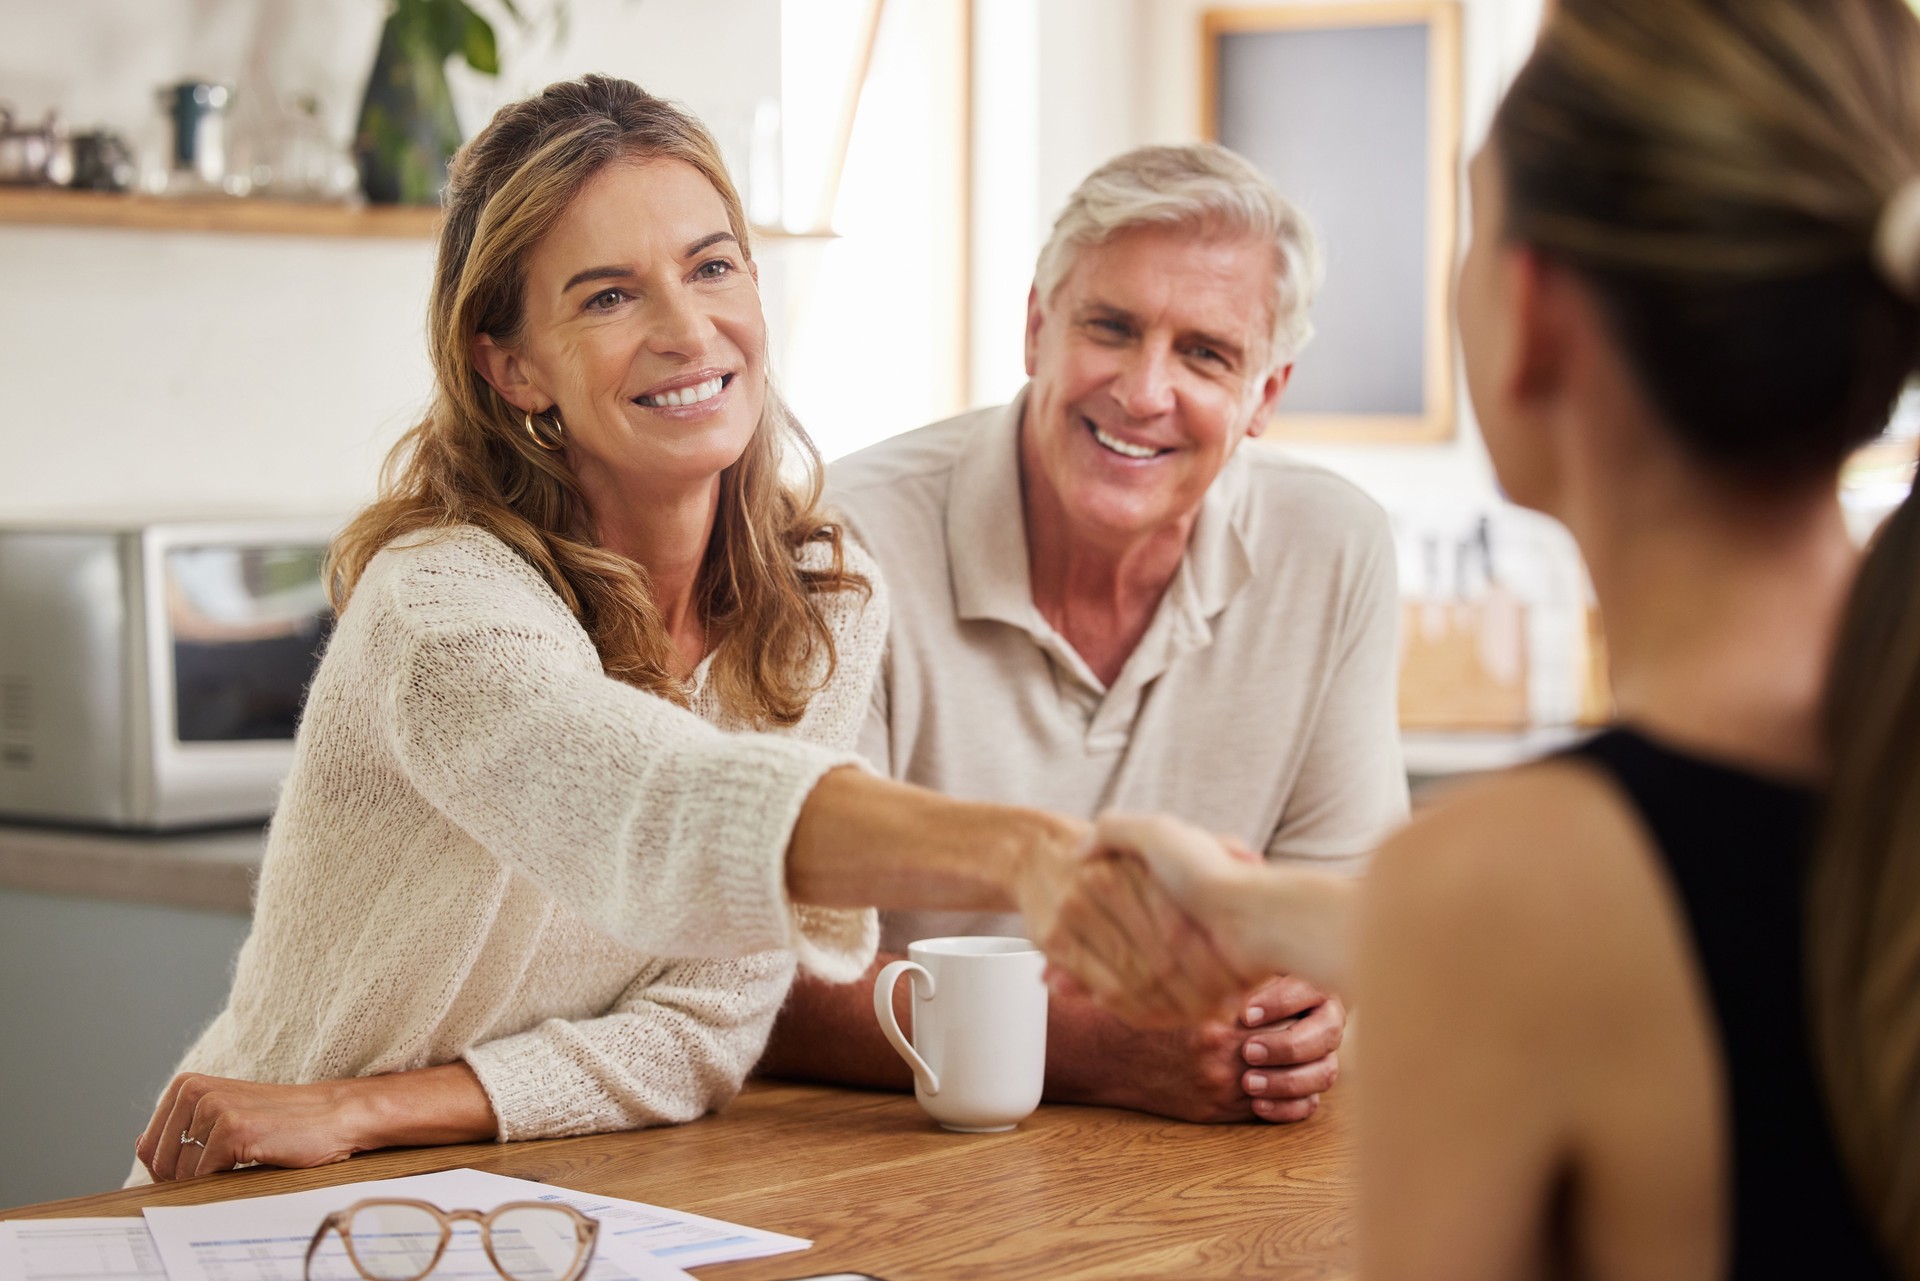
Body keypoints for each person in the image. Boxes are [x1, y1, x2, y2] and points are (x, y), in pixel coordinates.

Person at [133, 76, 1233, 1185]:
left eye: (712, 268)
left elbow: (705, 1026)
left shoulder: (820, 610)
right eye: (609, 296)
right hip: (262, 1184)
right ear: (511, 365)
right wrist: (1029, 853)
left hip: (511, 1196)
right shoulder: (443, 607)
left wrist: (368, 1108)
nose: (688, 330)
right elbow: (652, 803)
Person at [1075, 0, 1920, 1275]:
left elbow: (1557, 946)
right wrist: (1250, 912)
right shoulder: (1872, 758)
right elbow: (1748, 949)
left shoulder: (1506, 892)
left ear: (1533, 316)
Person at [758, 143, 1408, 1125]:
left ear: (1265, 395)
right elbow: (762, 970)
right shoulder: (838, 538)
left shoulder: (1337, 546)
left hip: (1217, 1172)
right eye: (1112, 327)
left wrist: (1306, 1006)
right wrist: (1098, 1050)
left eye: (1206, 353)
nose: (1144, 392)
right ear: (1036, 329)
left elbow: (1350, 917)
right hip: (894, 1158)